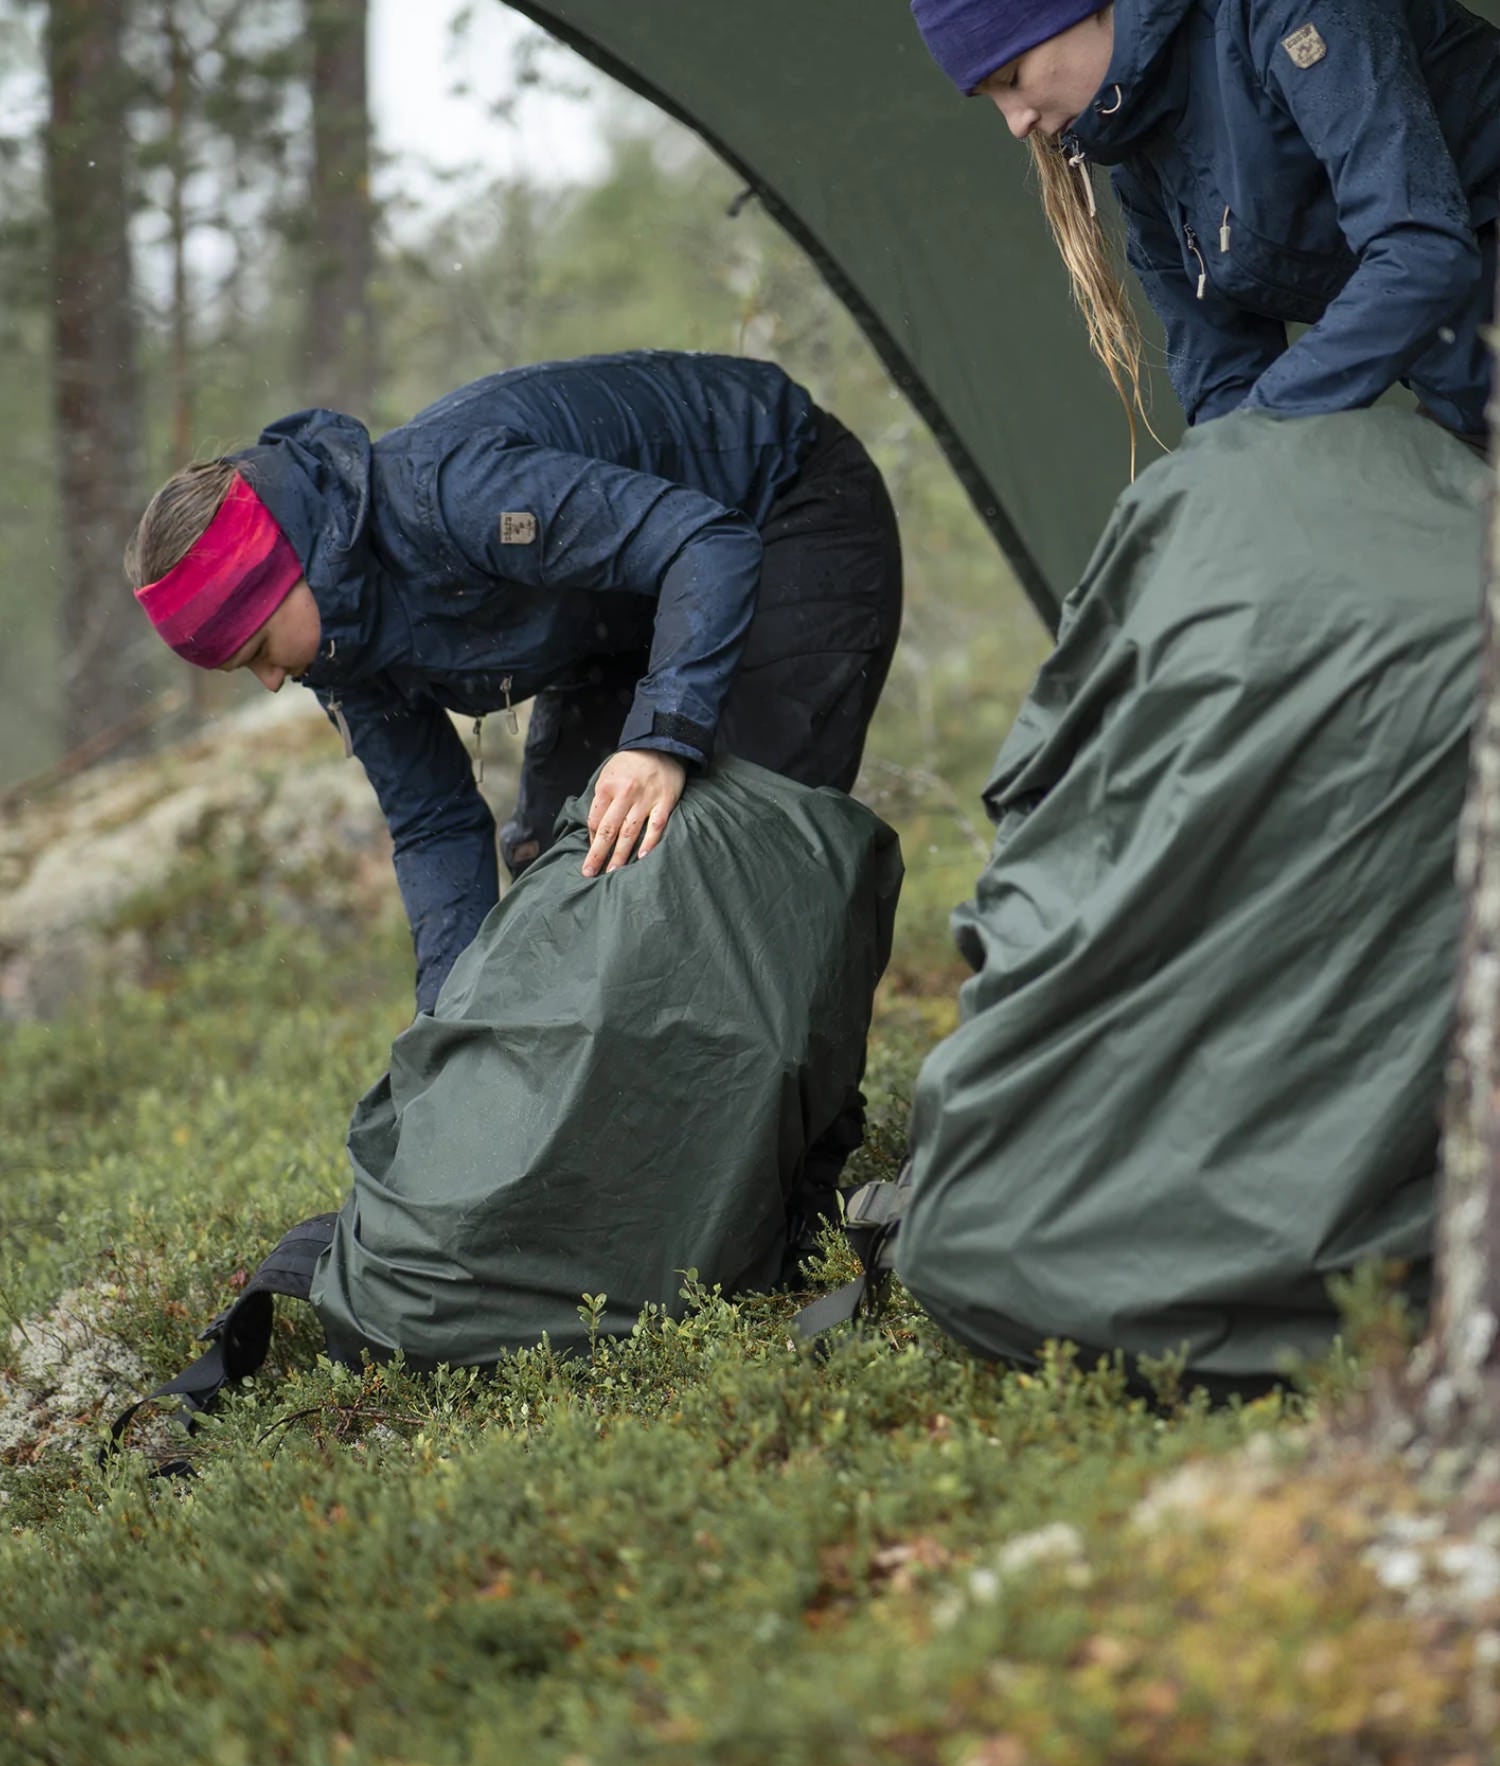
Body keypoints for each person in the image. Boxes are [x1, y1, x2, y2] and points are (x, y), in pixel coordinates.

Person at [126, 351, 903, 1013]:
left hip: (782, 501)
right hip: (625, 607)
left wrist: (663, 739)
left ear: (290, 565)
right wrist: (444, 1026)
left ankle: (801, 1138)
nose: (269, 682)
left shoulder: (452, 495)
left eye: (260, 649)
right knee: (562, 878)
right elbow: (435, 825)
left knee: (741, 859)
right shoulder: (340, 654)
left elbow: (705, 544)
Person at [909, 0, 1500, 452]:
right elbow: (1223, 373)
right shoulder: (1141, 160)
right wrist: (1225, 472)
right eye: (989, 98)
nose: (1015, 123)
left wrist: (1256, 432)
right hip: (1471, 409)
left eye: (1013, 78)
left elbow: (1419, 251)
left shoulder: (1292, 14)